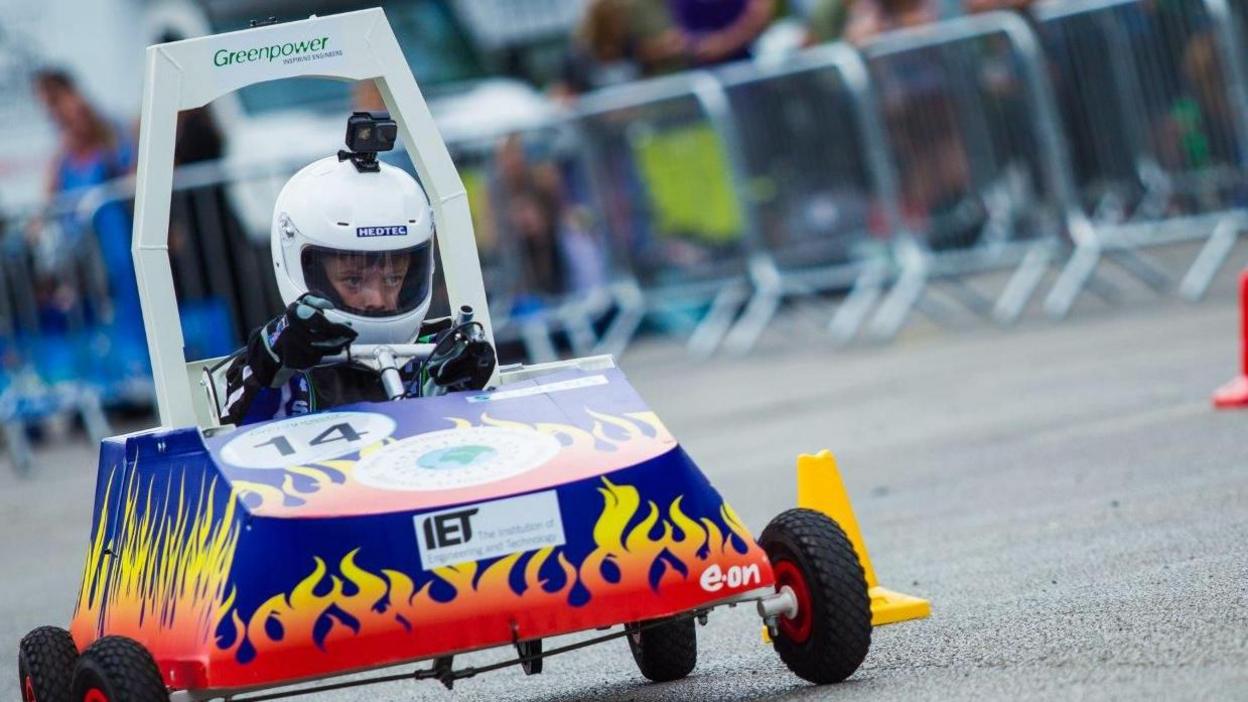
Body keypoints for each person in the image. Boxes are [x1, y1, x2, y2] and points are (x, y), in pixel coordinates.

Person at [220, 118, 496, 426]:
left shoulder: (441, 357)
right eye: (353, 279)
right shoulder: (272, 368)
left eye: (393, 278)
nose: (377, 299)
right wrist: (275, 359)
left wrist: (457, 390)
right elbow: (234, 425)